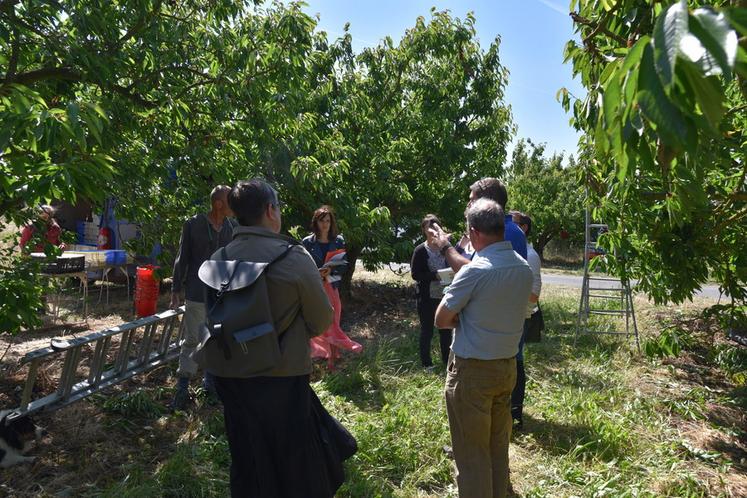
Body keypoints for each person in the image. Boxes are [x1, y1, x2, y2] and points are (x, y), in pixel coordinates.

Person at [202, 179, 337, 497]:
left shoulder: (219, 257)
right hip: (282, 375)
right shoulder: (293, 257)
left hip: (232, 375)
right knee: (292, 462)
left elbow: (214, 318)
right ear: (270, 210)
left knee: (248, 459)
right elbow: (321, 321)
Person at [435, 198, 532, 498]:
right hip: (506, 368)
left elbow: (441, 319)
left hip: (473, 372)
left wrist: (466, 322)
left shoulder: (475, 271)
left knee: (471, 454)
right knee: (496, 447)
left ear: (474, 233)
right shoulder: (524, 268)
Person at [170, 185, 236, 410]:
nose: (234, 205)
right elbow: (182, 257)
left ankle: (210, 384)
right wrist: (175, 290)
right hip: (197, 292)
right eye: (230, 200)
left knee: (216, 339)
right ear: (218, 204)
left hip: (221, 293)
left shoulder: (231, 227)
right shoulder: (194, 224)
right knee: (192, 339)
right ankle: (182, 387)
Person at [302, 205, 362, 370]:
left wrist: (329, 271)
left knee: (333, 321)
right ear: (316, 222)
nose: (325, 224)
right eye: (322, 221)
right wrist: (317, 272)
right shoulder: (307, 242)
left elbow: (343, 265)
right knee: (317, 322)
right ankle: (319, 355)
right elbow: (302, 266)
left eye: (328, 221)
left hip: (331, 285)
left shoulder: (338, 240)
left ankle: (333, 359)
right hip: (314, 287)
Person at [429, 178, 526, 272]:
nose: (468, 205)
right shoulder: (491, 228)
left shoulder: (503, 232)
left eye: (472, 200)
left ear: (487, 202)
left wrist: (445, 247)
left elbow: (479, 273)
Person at [510, 211, 543, 430]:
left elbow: (534, 292)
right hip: (513, 317)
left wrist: (520, 312)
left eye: (513, 223)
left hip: (519, 318)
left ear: (523, 228)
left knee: (517, 362)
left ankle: (516, 414)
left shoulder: (529, 255)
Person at [410, 214, 452, 369]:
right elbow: (415, 274)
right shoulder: (420, 250)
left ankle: (447, 361)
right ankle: (427, 364)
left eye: (436, 226)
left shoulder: (446, 247)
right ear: (423, 230)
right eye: (429, 226)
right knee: (427, 330)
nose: (433, 230)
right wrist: (435, 275)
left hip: (446, 294)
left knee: (446, 330)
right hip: (427, 297)